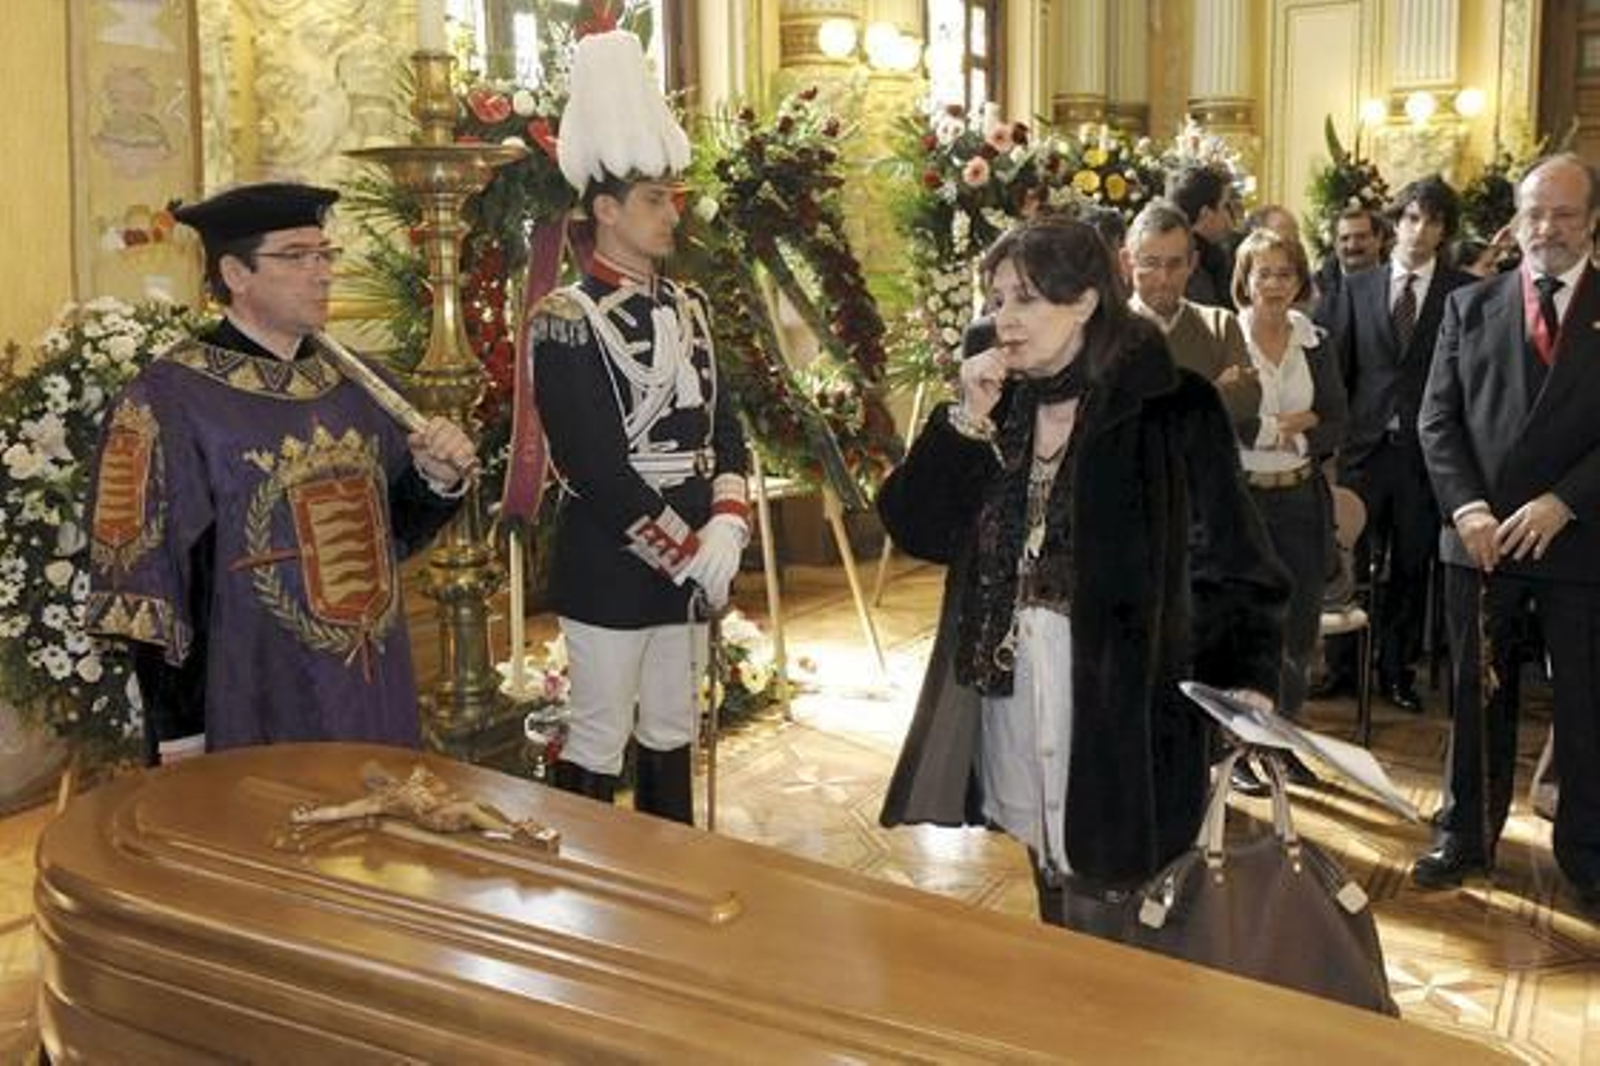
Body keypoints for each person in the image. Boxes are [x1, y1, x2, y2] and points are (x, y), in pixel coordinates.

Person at [877, 217, 1289, 936]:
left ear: (1087, 301)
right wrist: (965, 419)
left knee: (1120, 897)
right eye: (997, 298)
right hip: (1017, 688)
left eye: (1026, 300)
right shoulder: (999, 403)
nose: (1003, 319)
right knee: (1050, 867)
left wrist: (1245, 676)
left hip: (1121, 702)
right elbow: (917, 528)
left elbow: (1235, 562)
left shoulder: (1169, 405)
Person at [84, 182, 478, 765]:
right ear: (236, 274)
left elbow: (390, 536)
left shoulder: (363, 385)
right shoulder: (168, 400)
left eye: (326, 254)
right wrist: (179, 734)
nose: (322, 273)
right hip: (252, 699)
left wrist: (435, 478)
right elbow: (152, 580)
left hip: (372, 691)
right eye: (297, 257)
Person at [527, 30, 750, 824]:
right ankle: (580, 891)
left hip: (694, 552)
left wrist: (726, 525)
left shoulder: (690, 308)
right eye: (654, 201)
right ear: (606, 210)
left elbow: (728, 425)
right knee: (597, 735)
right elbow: (591, 466)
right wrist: (687, 554)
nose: (670, 215)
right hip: (615, 559)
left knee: (671, 727)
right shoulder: (565, 320)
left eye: (671, 198)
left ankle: (671, 884)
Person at [1414, 153, 1600, 907]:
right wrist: (1468, 509)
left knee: (1586, 703)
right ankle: (1464, 835)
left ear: (1592, 220)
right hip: (1483, 541)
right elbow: (1437, 420)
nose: (1546, 228)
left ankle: (1588, 850)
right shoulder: (1472, 305)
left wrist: (1565, 501)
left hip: (1579, 541)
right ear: (1515, 220)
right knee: (1473, 694)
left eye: (1562, 213)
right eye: (1534, 213)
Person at [1323, 177, 1473, 710]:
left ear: (1444, 231)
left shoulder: (1461, 291)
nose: (1419, 230)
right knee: (1345, 560)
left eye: (1432, 221)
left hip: (1421, 455)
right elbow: (1339, 371)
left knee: (1411, 565)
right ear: (1395, 224)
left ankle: (1395, 671)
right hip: (1363, 450)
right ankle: (1341, 667)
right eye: (1411, 218)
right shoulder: (1359, 286)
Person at [1231, 228, 1349, 785]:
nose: (1275, 284)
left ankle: (1280, 742)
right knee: (1243, 628)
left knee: (1298, 630)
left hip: (1300, 500)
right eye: (1264, 273)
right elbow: (1217, 417)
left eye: (1285, 273)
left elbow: (1339, 420)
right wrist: (1275, 426)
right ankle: (1236, 752)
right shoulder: (1226, 339)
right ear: (1245, 281)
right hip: (1242, 504)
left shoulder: (1314, 340)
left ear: (1300, 281)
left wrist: (1295, 430)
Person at [1124, 199, 1260, 437]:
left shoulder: (1220, 326)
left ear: (1192, 263)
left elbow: (1246, 404)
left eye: (1175, 264)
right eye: (1151, 263)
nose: (1164, 278)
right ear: (1127, 262)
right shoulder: (1105, 331)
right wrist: (1213, 392)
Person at [1165, 163, 1239, 309]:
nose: (1229, 217)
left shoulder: (1210, 258)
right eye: (1224, 206)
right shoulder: (1195, 271)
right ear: (1205, 214)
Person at [1312, 206, 1387, 327]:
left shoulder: (1399, 280)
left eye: (1361, 237)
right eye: (1344, 238)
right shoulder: (1316, 288)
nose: (1352, 245)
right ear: (1335, 244)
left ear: (1379, 239)